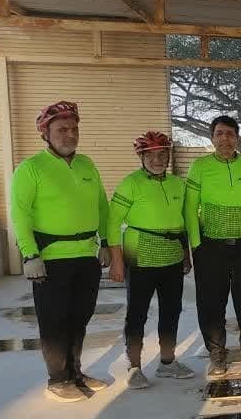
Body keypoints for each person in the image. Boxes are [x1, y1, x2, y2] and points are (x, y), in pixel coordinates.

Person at [11, 101, 112, 402]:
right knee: (55, 321)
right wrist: (30, 255)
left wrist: (105, 242)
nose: (70, 134)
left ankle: (75, 373)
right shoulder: (31, 168)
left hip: (86, 255)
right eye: (62, 129)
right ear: (45, 133)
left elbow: (102, 207)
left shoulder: (87, 165)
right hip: (50, 258)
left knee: (79, 318)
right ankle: (58, 380)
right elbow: (20, 214)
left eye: (74, 129)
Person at [108, 131, 195, 388]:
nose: (157, 160)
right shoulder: (130, 183)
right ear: (141, 157)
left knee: (171, 310)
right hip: (140, 253)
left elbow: (183, 222)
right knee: (137, 312)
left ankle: (167, 362)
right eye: (151, 155)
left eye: (162, 154)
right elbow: (112, 223)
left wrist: (186, 254)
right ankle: (134, 366)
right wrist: (117, 261)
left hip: (171, 254)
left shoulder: (178, 184)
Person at [185, 116, 241, 376]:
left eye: (230, 134)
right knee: (211, 302)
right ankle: (217, 354)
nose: (225, 139)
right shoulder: (200, 166)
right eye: (219, 134)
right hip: (210, 246)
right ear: (212, 138)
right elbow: (189, 208)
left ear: (237, 138)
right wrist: (196, 244)